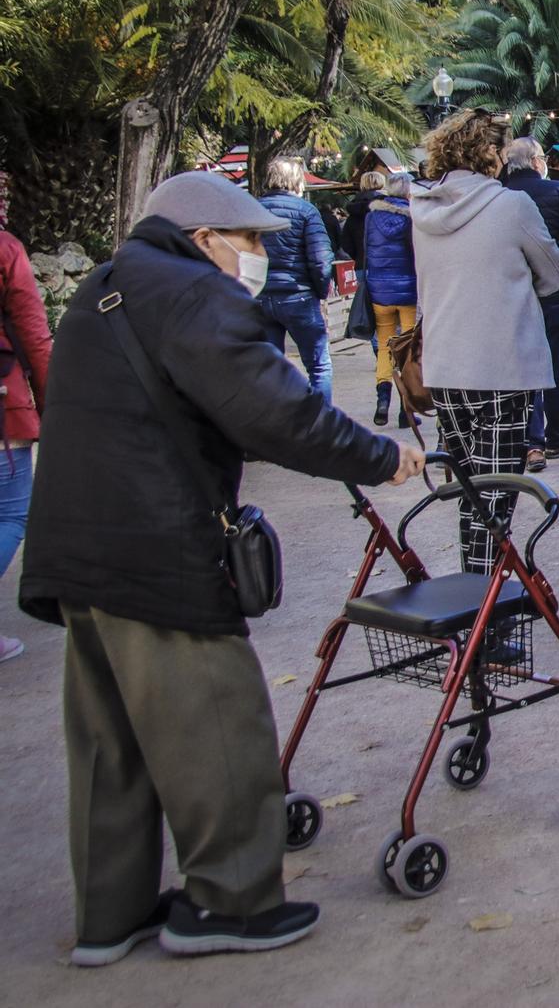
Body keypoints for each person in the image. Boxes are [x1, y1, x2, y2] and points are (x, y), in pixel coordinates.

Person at [19, 171, 422, 964]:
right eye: (246, 242)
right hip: (158, 549)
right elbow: (277, 410)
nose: (254, 257)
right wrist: (383, 456)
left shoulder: (105, 287)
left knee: (110, 744)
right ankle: (232, 901)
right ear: (204, 238)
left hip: (77, 550)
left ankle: (112, 914)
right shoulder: (195, 297)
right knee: (220, 725)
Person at [411, 112, 559, 569]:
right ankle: (484, 609)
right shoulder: (511, 206)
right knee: (495, 496)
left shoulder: (421, 211)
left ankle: (476, 588)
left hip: (445, 363)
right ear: (493, 154)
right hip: (503, 365)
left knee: (471, 492)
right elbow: (553, 273)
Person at [499, 137, 559, 469]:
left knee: (521, 368)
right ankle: (556, 438)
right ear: (537, 162)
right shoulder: (558, 191)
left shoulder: (497, 196)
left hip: (513, 294)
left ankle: (531, 443)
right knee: (555, 367)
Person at [1, 173, 53, 665]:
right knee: (11, 514)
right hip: (2, 406)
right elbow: (34, 333)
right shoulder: (5, 250)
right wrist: (53, 403)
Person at [254, 157, 335, 403]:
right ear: (297, 181)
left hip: (262, 295)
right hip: (298, 295)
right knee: (319, 365)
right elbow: (321, 260)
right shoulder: (306, 212)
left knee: (270, 366)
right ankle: (323, 426)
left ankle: (276, 425)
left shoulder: (253, 209)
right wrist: (321, 293)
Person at [364, 173, 421, 428]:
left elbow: (366, 250)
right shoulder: (412, 217)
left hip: (379, 290)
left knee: (385, 347)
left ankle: (382, 399)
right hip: (408, 289)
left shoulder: (372, 215)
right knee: (408, 349)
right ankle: (406, 409)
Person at [339, 169, 382, 267]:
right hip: (387, 265)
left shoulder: (353, 211)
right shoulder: (388, 205)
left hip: (361, 264)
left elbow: (346, 242)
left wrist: (358, 256)